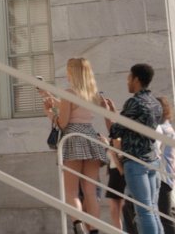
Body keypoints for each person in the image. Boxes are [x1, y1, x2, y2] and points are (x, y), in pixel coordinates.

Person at [43, 58, 109, 234]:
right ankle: (94, 230)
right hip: (91, 137)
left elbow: (63, 122)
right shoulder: (92, 94)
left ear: (72, 72)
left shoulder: (69, 92)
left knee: (71, 190)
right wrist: (51, 98)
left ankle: (78, 226)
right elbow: (73, 107)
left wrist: (49, 113)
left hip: (72, 139)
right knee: (89, 190)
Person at [106, 63, 164, 234]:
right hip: (152, 160)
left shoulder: (135, 102)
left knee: (144, 210)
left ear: (136, 79)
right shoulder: (155, 103)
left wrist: (110, 114)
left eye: (129, 78)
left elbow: (115, 131)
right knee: (152, 208)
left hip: (136, 162)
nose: (127, 82)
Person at [157, 97, 175, 234]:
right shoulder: (168, 127)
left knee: (165, 218)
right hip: (168, 175)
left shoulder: (161, 129)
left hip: (162, 177)